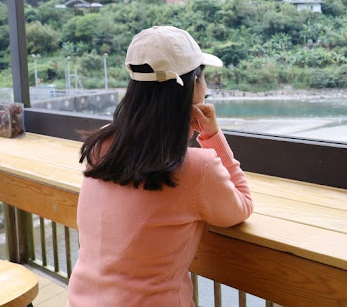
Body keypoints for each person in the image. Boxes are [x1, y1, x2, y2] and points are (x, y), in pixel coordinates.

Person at [67, 26, 254, 306]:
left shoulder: (102, 144)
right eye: (202, 77)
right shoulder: (197, 168)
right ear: (192, 85)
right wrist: (212, 137)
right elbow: (242, 205)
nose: (207, 87)